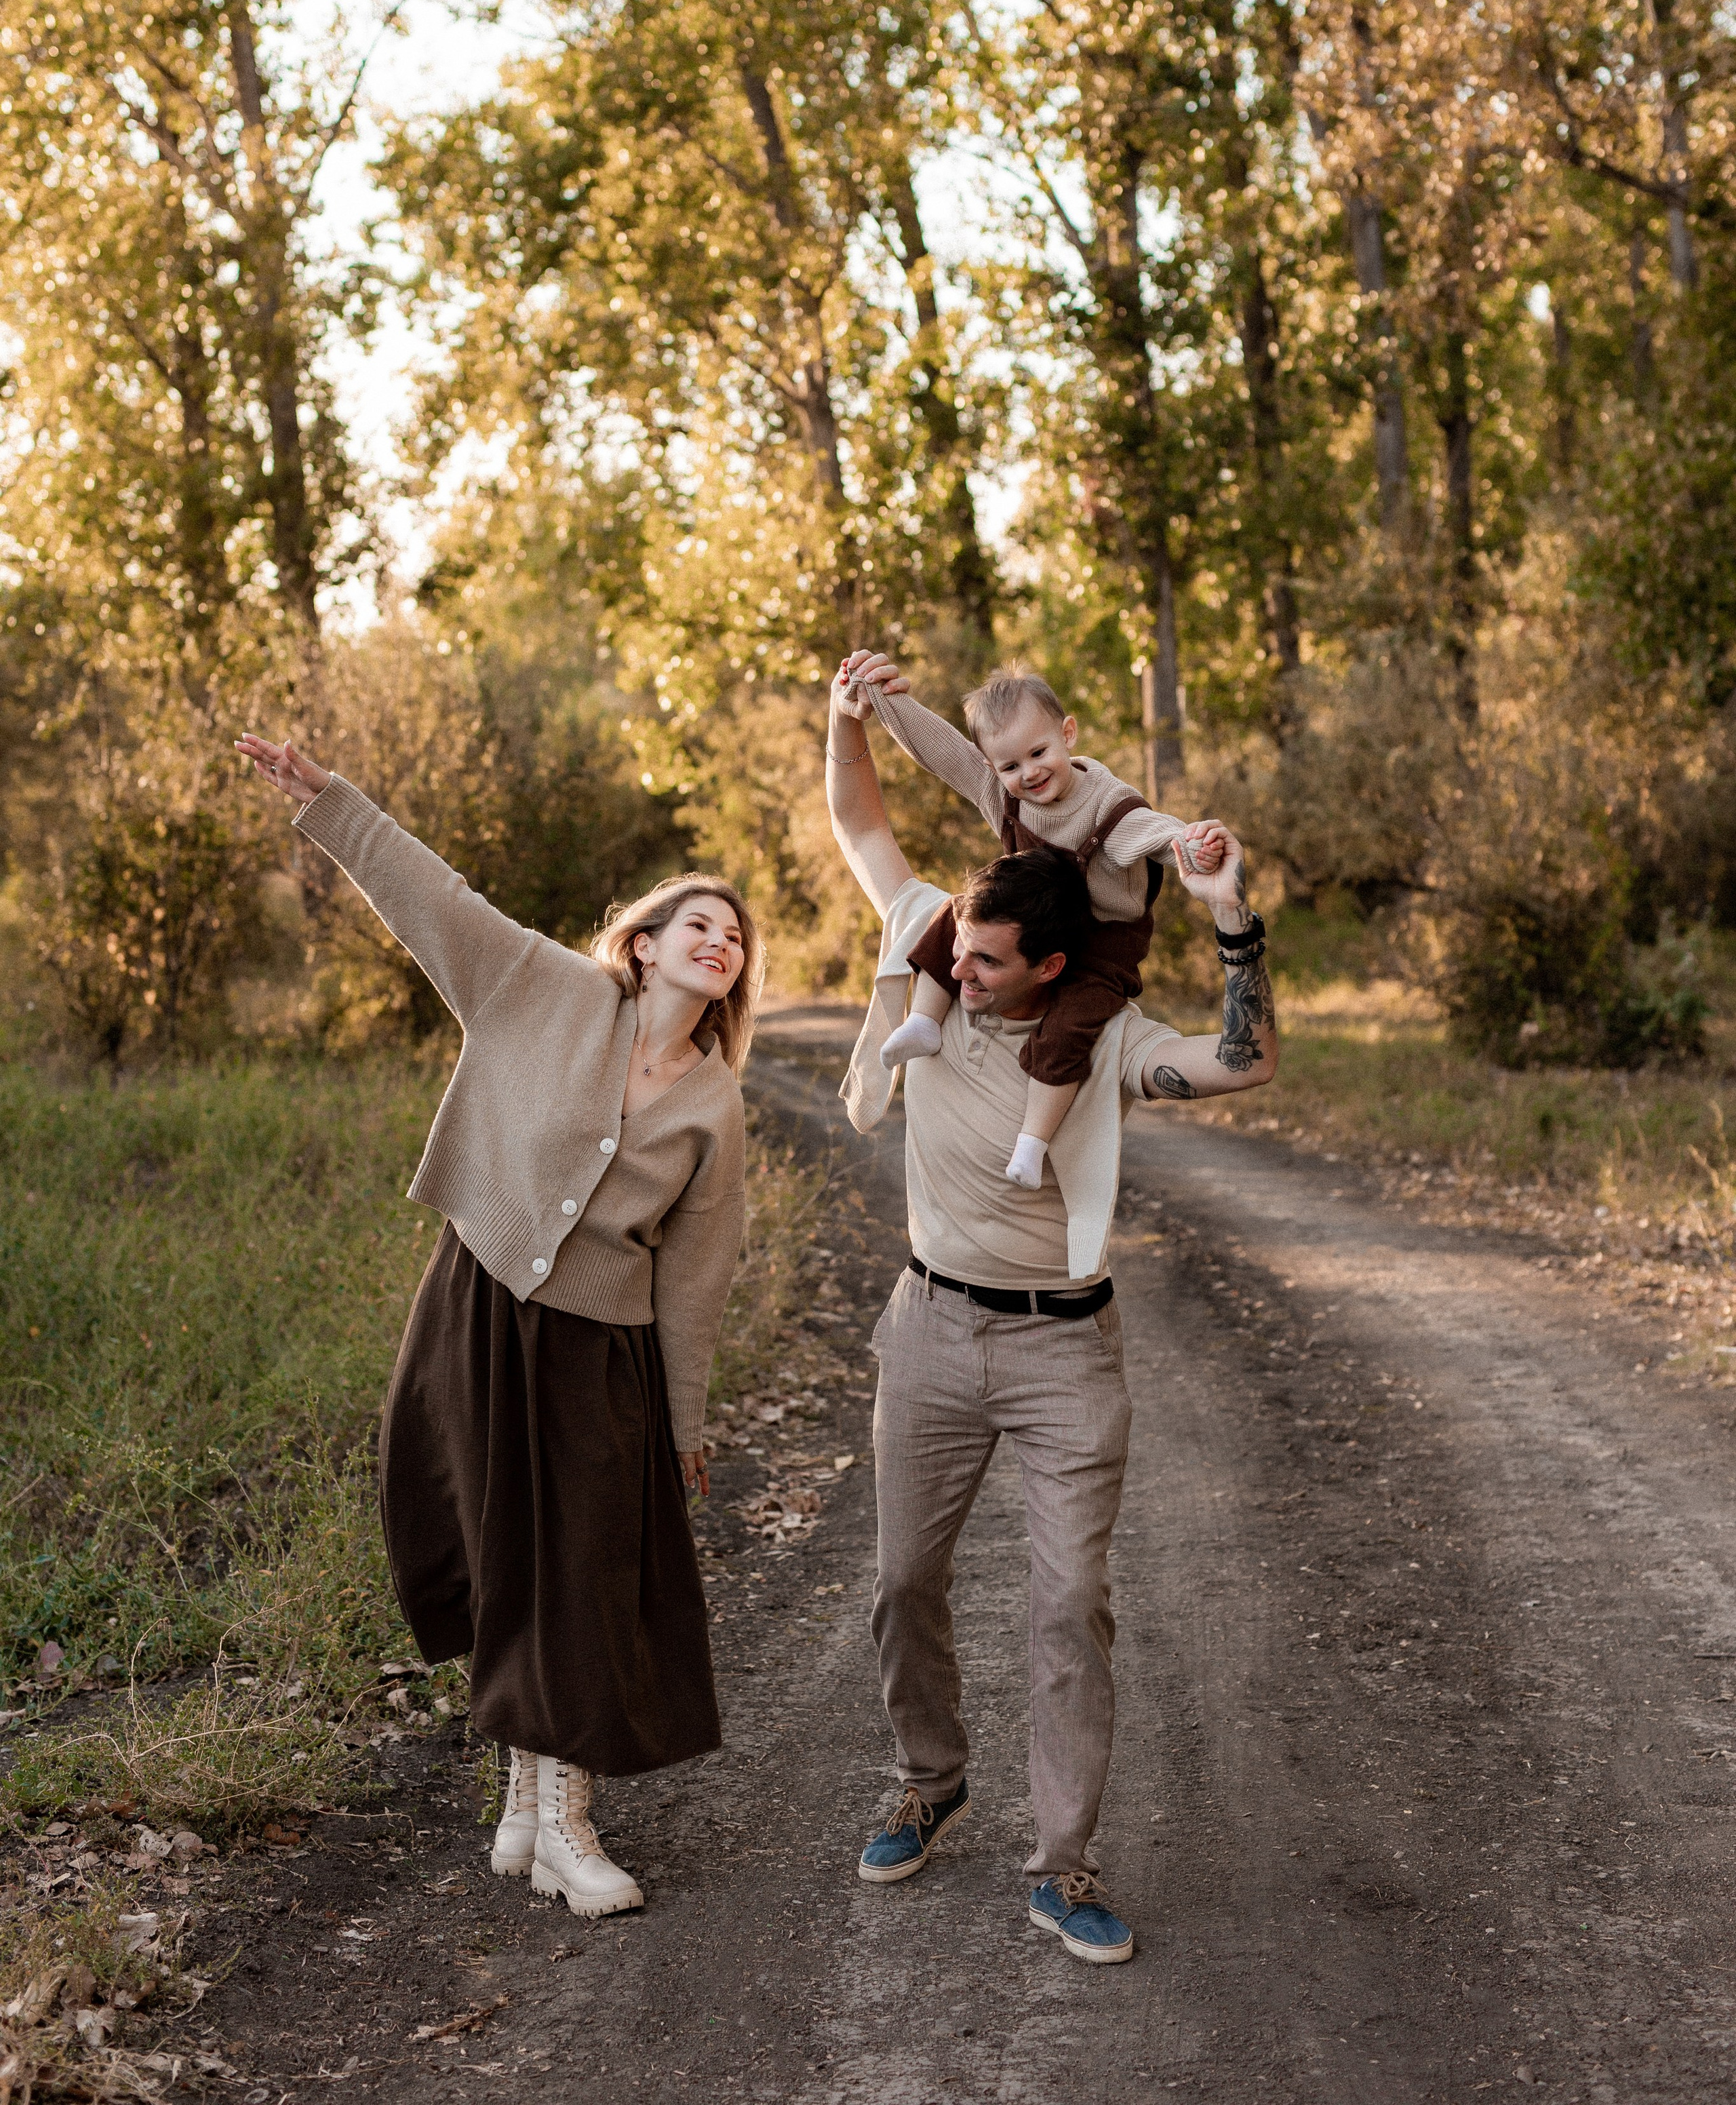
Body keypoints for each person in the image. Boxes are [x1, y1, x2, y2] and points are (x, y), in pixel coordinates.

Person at [235, 732, 762, 1919]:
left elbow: (697, 1273)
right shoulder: (546, 988)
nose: (719, 942)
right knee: (498, 1548)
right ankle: (527, 1810)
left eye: (734, 937)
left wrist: (686, 1423)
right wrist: (336, 801)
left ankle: (560, 1821)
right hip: (476, 1308)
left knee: (577, 1572)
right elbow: (439, 901)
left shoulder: (716, 1102)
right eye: (698, 924)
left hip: (598, 1349)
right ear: (643, 942)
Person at [825, 655, 1278, 1967]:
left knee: (1067, 1602)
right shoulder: (938, 952)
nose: (960, 973)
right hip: (927, 1329)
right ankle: (932, 1777)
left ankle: (1063, 1863)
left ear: (1055, 965)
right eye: (955, 952)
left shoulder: (1109, 1032)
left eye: (986, 964)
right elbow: (862, 823)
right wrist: (846, 716)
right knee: (904, 1580)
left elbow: (1243, 1061)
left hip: (1064, 1348)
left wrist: (1229, 914)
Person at [837, 652, 1219, 1191]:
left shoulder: (1107, 804)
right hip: (1034, 926)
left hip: (1097, 947)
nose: (1029, 773)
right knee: (957, 911)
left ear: (1068, 734)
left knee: (1071, 1026)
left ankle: (1033, 1143)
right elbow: (943, 751)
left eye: (1039, 753)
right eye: (1010, 766)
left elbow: (1149, 833)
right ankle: (923, 1021)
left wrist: (1189, 844)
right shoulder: (1004, 794)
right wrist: (878, 698)